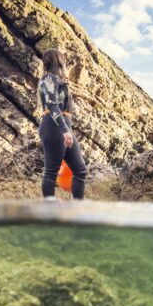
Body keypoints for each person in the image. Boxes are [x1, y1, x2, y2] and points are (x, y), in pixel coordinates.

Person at [37, 49, 88, 199]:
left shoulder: (56, 80)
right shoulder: (48, 79)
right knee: (51, 172)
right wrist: (65, 130)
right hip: (54, 127)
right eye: (64, 61)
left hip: (63, 127)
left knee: (80, 170)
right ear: (58, 61)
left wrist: (67, 129)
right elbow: (52, 105)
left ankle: (77, 210)